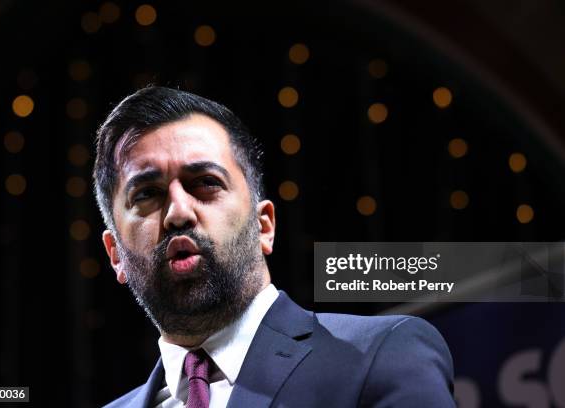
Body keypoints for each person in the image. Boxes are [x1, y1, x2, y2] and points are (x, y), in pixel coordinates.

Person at [93, 86, 455, 407]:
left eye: (204, 182)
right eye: (147, 194)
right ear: (115, 255)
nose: (178, 212)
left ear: (264, 225)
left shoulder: (380, 356)